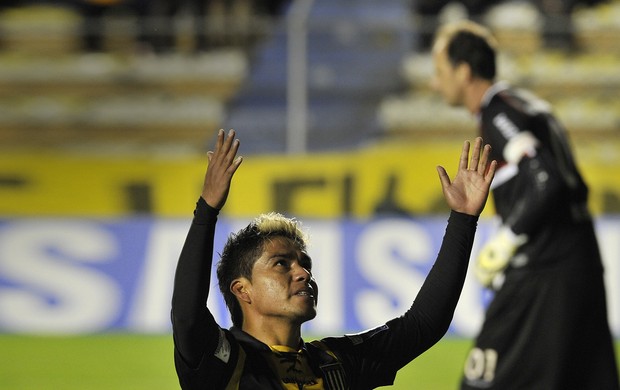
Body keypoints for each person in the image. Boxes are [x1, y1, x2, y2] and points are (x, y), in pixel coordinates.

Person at [171, 128, 497, 389]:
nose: (302, 273)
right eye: (281, 264)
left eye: (305, 264)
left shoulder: (336, 362)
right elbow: (187, 315)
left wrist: (463, 219)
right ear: (242, 290)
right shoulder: (223, 362)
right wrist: (207, 210)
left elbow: (423, 324)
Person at [431, 20, 619, 389]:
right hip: (579, 267)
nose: (434, 84)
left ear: (464, 71)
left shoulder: (499, 112)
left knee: (480, 382)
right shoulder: (526, 105)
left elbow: (545, 178)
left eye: (440, 72)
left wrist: (506, 241)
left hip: (541, 275)